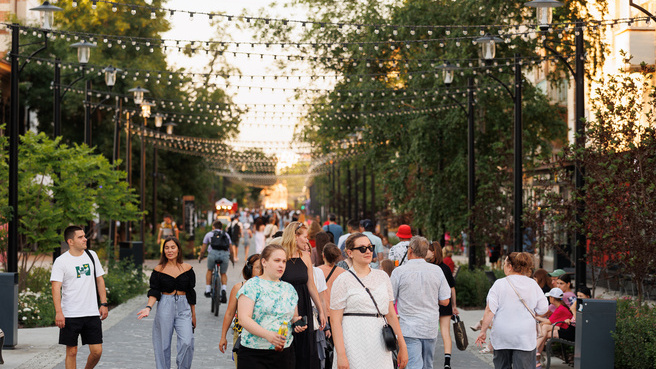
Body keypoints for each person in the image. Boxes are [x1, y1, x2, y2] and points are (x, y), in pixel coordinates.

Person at [330, 233, 409, 369]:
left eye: (370, 247)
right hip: (352, 340)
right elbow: (335, 321)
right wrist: (341, 354)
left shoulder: (383, 276)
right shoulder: (342, 280)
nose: (368, 251)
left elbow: (391, 314)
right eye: (362, 248)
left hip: (380, 342)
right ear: (350, 253)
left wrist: (402, 345)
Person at [236, 244, 307, 368]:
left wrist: (297, 323)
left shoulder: (289, 288)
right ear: (264, 262)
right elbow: (243, 319)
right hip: (254, 353)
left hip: (284, 352)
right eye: (277, 260)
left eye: (284, 261)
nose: (281, 265)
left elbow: (293, 317)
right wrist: (267, 335)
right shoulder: (252, 285)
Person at [475, 252, 548, 369]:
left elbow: (489, 310)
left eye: (504, 264)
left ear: (510, 267)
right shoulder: (533, 284)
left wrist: (483, 331)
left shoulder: (499, 284)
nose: (503, 266)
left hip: (502, 334)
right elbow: (543, 309)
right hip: (524, 335)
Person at [51, 225, 109, 369]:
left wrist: (104, 303)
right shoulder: (61, 261)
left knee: (97, 351)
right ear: (70, 241)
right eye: (81, 237)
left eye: (84, 236)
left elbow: (100, 280)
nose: (85, 239)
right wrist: (59, 312)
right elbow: (56, 287)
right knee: (72, 352)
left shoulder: (92, 255)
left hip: (91, 312)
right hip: (70, 314)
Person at [137, 237, 196, 369]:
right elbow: (154, 291)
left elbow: (191, 293)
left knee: (187, 342)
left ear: (178, 249)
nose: (169, 250)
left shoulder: (187, 268)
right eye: (166, 248)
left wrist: (193, 314)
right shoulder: (158, 270)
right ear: (163, 251)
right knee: (162, 345)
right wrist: (148, 307)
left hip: (184, 307)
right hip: (165, 306)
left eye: (173, 247)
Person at [391, 236, 451, 369]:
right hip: (429, 327)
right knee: (427, 365)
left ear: (410, 251)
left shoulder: (399, 272)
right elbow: (445, 300)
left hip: (409, 328)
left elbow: (390, 300)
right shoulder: (437, 271)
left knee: (413, 365)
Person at [281, 221, 327, 369]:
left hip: (304, 305)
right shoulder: (280, 256)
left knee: (305, 351)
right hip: (284, 307)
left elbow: (311, 285)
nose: (307, 240)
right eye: (305, 237)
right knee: (287, 349)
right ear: (295, 236)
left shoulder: (305, 256)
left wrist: (320, 311)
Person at [219, 254, 262, 367]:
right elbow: (229, 313)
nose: (261, 271)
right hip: (242, 336)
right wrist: (223, 336)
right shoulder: (239, 287)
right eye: (258, 267)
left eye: (263, 267)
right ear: (249, 269)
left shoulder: (270, 288)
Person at [426, 241, 459, 369]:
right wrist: (454, 306)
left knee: (431, 332)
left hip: (432, 304)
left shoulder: (429, 268)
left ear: (433, 252)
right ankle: (447, 361)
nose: (426, 252)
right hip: (446, 303)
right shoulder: (445, 268)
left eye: (428, 250)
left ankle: (428, 358)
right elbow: (452, 288)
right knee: (445, 332)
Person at [535, 287, 574, 364]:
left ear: (552, 298)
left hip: (568, 331)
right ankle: (537, 356)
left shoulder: (561, 309)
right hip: (564, 328)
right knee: (544, 331)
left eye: (549, 297)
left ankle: (535, 352)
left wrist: (536, 317)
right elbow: (550, 322)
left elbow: (549, 322)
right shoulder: (560, 307)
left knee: (544, 330)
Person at [198, 220, 232, 302]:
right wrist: (232, 259)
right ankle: (223, 290)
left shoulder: (209, 234)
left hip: (213, 254)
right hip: (224, 255)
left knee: (210, 270)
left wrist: (200, 257)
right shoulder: (226, 235)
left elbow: (203, 249)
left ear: (213, 227)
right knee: (223, 273)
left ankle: (208, 290)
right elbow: (231, 249)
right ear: (221, 227)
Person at [318, 244, 346, 320]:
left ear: (323, 255)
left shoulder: (317, 271)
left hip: (323, 311)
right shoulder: (343, 272)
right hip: (338, 311)